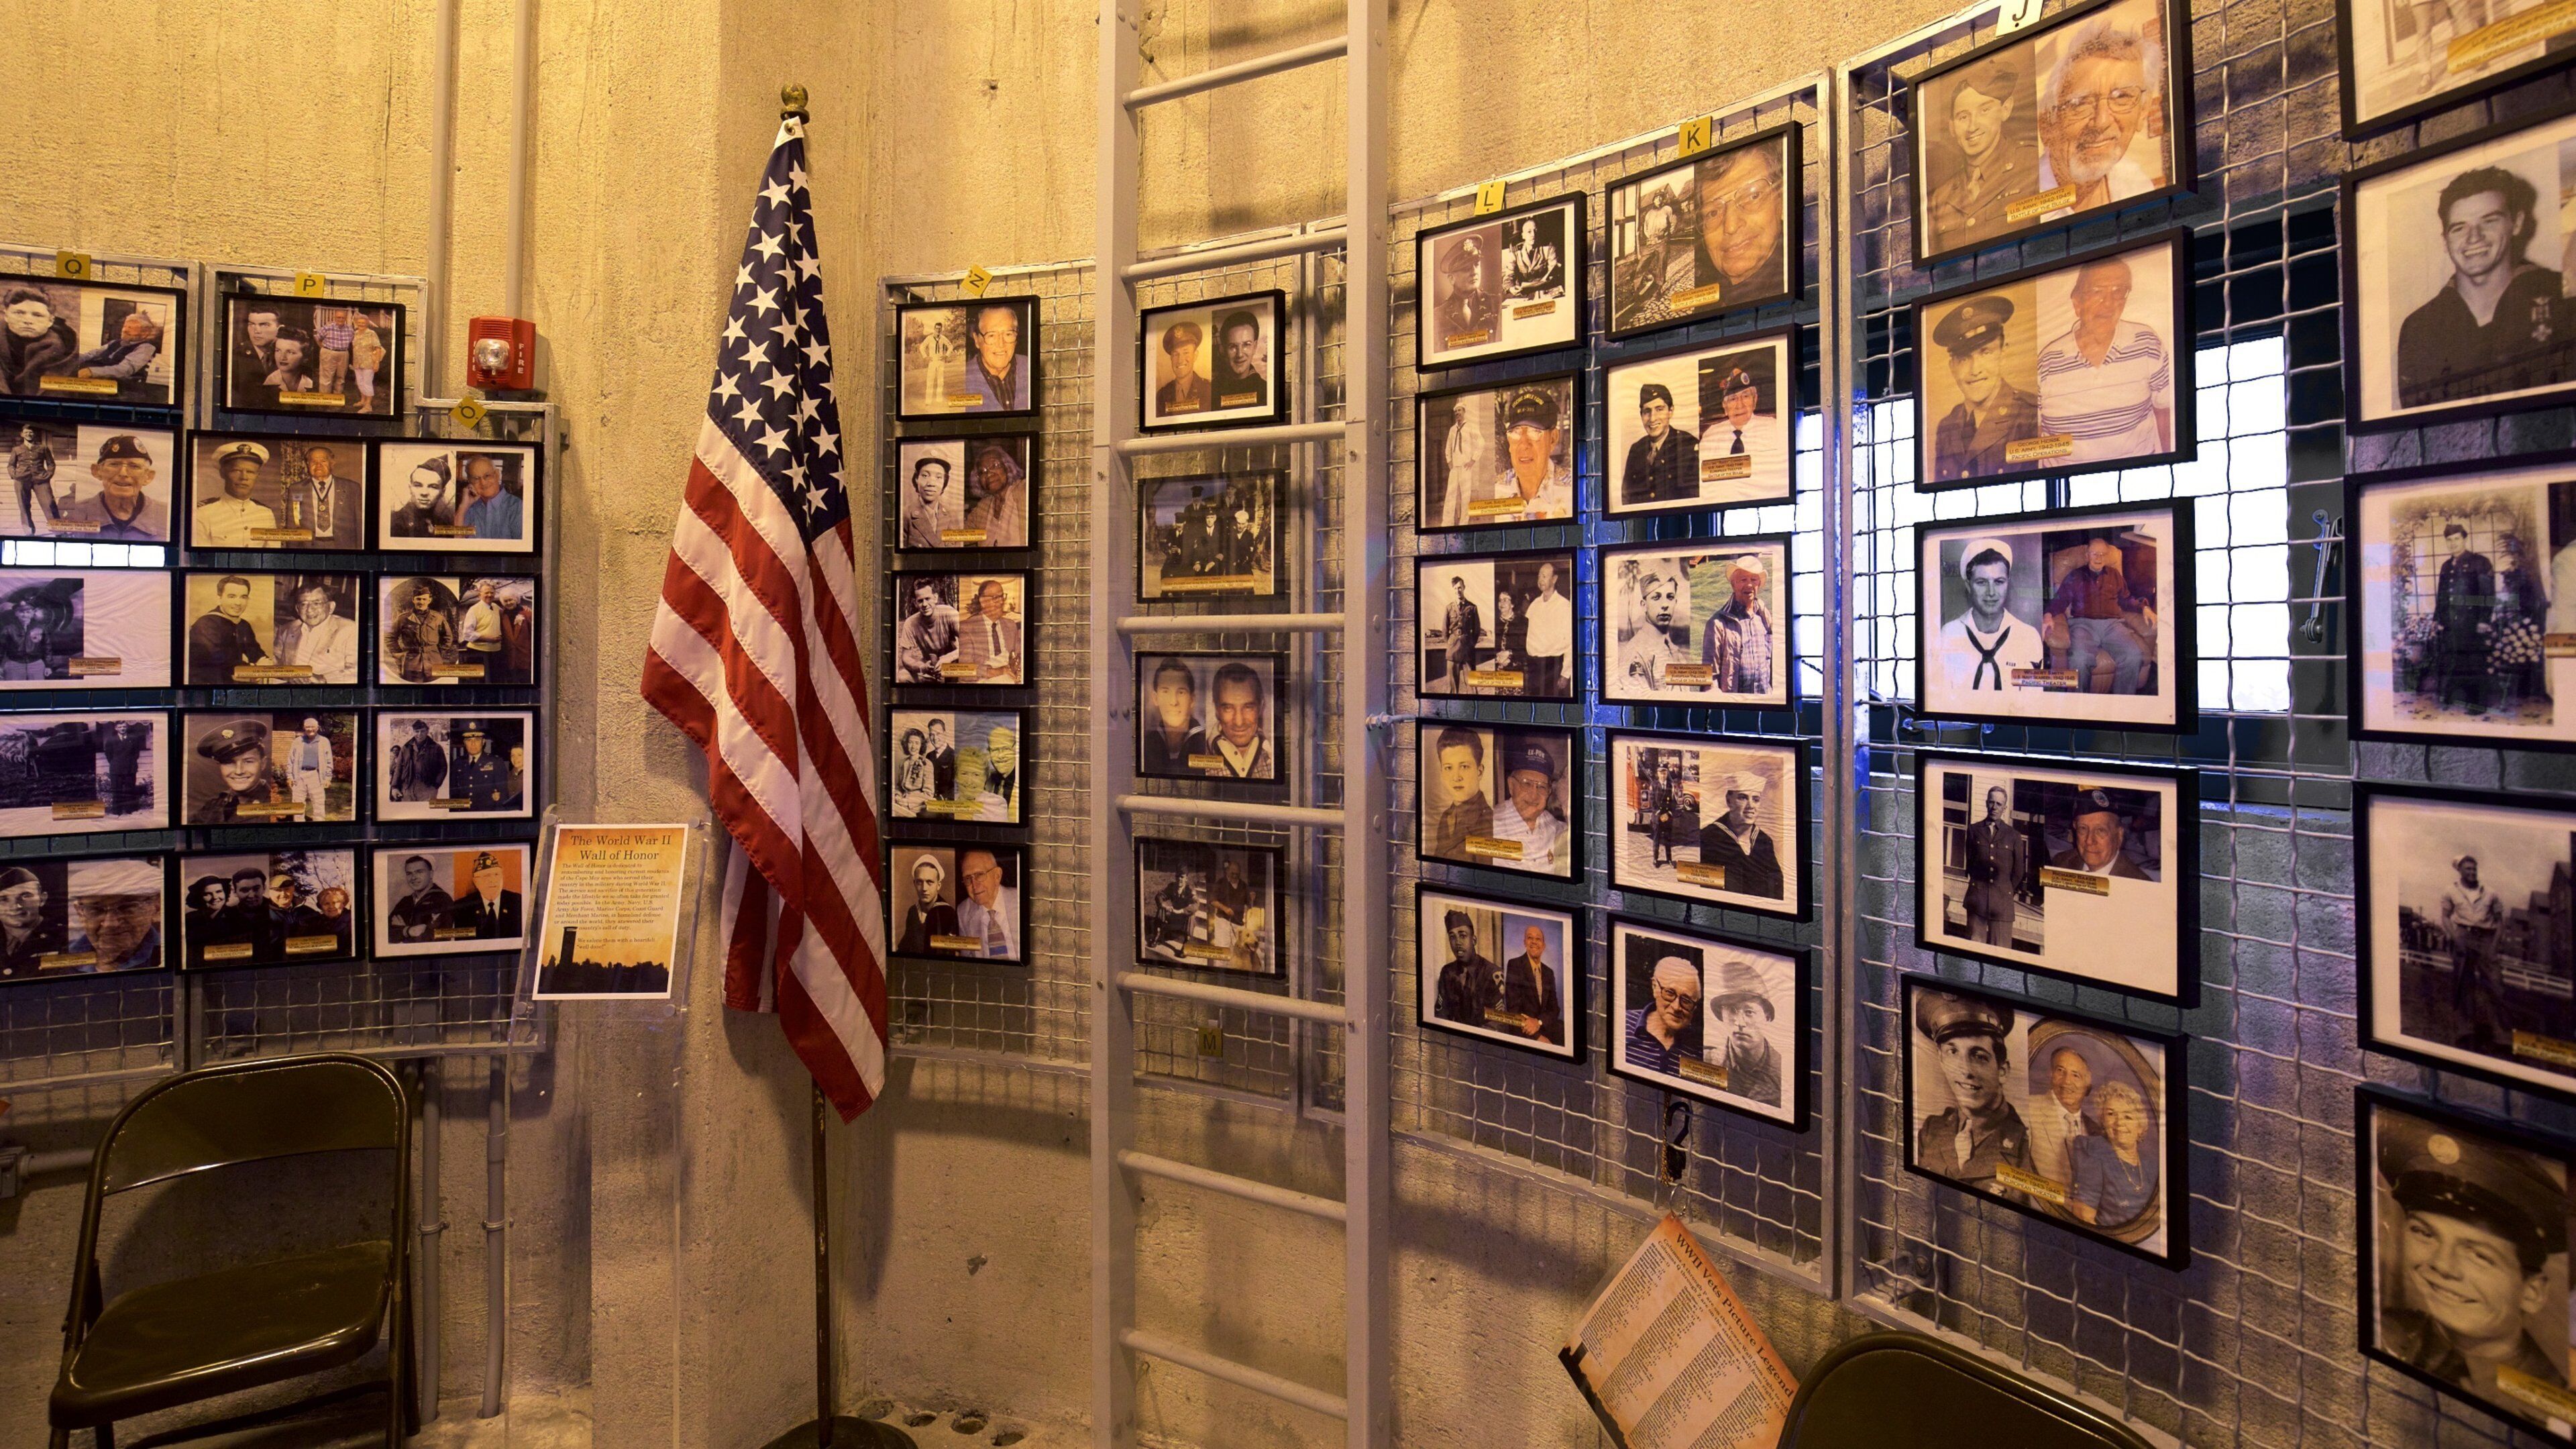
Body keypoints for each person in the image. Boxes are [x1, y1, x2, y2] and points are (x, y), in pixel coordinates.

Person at [2376, 1112, 2569, 1401]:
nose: (2442, 1266)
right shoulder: (2389, 1333)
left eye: (2479, 1255)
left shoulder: (2554, 1396)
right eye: (2425, 1233)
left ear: (2532, 1292)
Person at [2400, 163, 2576, 407]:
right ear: (2445, 239)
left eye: (2489, 221)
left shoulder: (2563, 298)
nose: (2474, 237)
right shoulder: (2418, 327)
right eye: (2459, 228)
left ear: (2517, 223)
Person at [2035, 258, 2174, 464]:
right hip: (2066, 486)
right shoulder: (2047, 361)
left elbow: (2165, 411)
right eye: (2097, 291)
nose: (2109, 303)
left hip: (2137, 476)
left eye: (2119, 291)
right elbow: (2033, 433)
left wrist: (2169, 465)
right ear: (2077, 302)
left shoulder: (2147, 344)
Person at [2036, 19, 2161, 217]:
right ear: (2047, 125)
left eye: (2122, 97)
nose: (2102, 121)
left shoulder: (2135, 184)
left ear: (2143, 112)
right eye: (2080, 103)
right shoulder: (2023, 208)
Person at [1913, 989, 2034, 1192]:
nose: (1965, 1071)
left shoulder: (2028, 1142)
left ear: (2002, 1071)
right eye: (1953, 1052)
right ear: (1941, 1060)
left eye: (1979, 1056)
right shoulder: (1931, 1132)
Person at [1926, 60, 2041, 252]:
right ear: (1952, 128)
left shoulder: (2034, 163)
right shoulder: (1940, 198)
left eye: (1984, 111)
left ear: (2006, 110)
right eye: (1963, 117)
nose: (1972, 127)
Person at [1929, 297, 2042, 481]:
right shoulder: (1946, 428)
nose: (1975, 370)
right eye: (1964, 358)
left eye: (1986, 353)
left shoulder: (2030, 416)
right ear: (1952, 367)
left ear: (2002, 353)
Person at [1936, 539, 2046, 701]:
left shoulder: (2028, 637)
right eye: (1981, 582)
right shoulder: (1949, 634)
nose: (1991, 592)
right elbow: (1941, 699)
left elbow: (2034, 702)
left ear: (2008, 583)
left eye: (1999, 582)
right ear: (1968, 586)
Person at [2044, 533, 2154, 694]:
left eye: (2103, 554)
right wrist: (2048, 615)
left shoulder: (2115, 575)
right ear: (2087, 555)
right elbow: (2060, 601)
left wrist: (2144, 607)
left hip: (2113, 626)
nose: (2099, 557)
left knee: (2133, 655)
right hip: (2083, 625)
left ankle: (2122, 705)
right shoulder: (2075, 576)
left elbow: (2126, 599)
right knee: (2079, 659)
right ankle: (2079, 706)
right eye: (2095, 553)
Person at [1693, 142, 1790, 306]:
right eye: (1713, 213)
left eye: (1753, 197)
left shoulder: (1805, 282)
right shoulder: (1705, 304)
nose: (1730, 226)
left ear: (1781, 200)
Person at [2065, 1079, 2157, 1228]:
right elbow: (2083, 1217)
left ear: (2140, 1127)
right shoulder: (2093, 1153)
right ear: (2103, 1121)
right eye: (2111, 1114)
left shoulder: (2152, 1165)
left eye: (2128, 1117)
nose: (2119, 1122)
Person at [2443, 853, 2508, 1052]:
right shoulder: (2450, 892)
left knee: (2496, 986)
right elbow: (2445, 917)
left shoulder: (2490, 893)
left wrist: (2494, 946)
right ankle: (2465, 1031)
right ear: (2460, 871)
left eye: (2474, 869)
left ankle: (2502, 1035)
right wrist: (2455, 937)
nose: (2472, 872)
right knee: (2464, 984)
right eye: (2468, 869)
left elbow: (2500, 922)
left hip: (2486, 939)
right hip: (2463, 937)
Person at [2432, 522, 2499, 714]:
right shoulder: (2446, 566)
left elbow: (2488, 594)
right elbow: (2442, 595)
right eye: (2449, 540)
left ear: (2464, 539)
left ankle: (2478, 704)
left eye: (2457, 539)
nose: (2453, 543)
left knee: (2475, 663)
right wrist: (2437, 619)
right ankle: (2455, 696)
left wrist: (2484, 620)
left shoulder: (2480, 562)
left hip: (2472, 622)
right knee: (2455, 660)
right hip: (2451, 624)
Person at [1488, 386, 1574, 521]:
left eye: (1535, 432)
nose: (1524, 444)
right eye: (1516, 433)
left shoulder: (1574, 490)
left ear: (1553, 439)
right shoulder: (1495, 490)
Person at [58, 433, 164, 540]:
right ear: (97, 471)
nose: (123, 473)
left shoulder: (166, 515)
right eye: (114, 464)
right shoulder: (76, 513)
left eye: (134, 466)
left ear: (148, 477)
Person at [63, 859, 162, 975]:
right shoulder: (60, 955)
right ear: (80, 913)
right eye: (96, 910)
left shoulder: (171, 954)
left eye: (126, 908)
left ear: (156, 908)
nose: (110, 924)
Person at [1962, 784, 2029, 948]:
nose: (1994, 807)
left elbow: (2019, 872)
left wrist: (2004, 891)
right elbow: (1970, 862)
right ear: (1986, 803)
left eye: (1999, 804)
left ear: (2005, 808)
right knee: (1974, 948)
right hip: (1977, 900)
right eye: (1992, 802)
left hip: (2002, 904)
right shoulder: (1974, 830)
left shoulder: (2014, 836)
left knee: (2001, 950)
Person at [1697, 773, 1784, 898]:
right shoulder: (1709, 837)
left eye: (1756, 799)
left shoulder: (1764, 841)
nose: (1750, 806)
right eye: (1743, 798)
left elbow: (1777, 886)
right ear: (1729, 801)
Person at [1709, 959, 1782, 1106]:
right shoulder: (1707, 1061)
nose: (1740, 1023)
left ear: (1767, 1016)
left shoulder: (1785, 1071)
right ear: (1721, 1014)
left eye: (1749, 1012)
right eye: (1731, 1010)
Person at [2025, 1044, 2102, 1186]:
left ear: (2087, 1084)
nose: (2067, 1081)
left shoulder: (2097, 1131)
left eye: (2076, 1075)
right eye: (2060, 1071)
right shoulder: (2029, 1108)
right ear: (2051, 1074)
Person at [1697, 368, 1783, 493]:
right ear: (1725, 407)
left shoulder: (1773, 429)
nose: (1740, 405)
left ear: (1755, 400)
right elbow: (1704, 484)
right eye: (1733, 399)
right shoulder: (1711, 436)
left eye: (1746, 396)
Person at [1489, 741, 1568, 873]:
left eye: (1542, 786)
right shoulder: (1491, 826)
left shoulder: (1555, 828)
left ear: (1549, 792)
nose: (1534, 794)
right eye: (1526, 784)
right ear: (1511, 785)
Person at [1703, 555, 1776, 696]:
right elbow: (1708, 676)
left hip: (1766, 702)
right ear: (1733, 584)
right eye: (1743, 580)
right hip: (1734, 707)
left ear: (1759, 585)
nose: (1749, 585)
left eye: (1754, 580)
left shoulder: (1765, 617)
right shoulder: (1718, 623)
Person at [1619, 559, 1696, 692]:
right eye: (1656, 597)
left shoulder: (1672, 648)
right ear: (1644, 605)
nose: (1665, 605)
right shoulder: (1636, 652)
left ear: (1675, 602)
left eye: (1670, 597)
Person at [1620, 380, 1697, 508]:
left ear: (1671, 411)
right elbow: (1626, 498)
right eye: (1647, 411)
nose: (1653, 418)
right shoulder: (1636, 449)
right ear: (1641, 415)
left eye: (1659, 409)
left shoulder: (1688, 445)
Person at [1623, 955, 1705, 1076]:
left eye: (1686, 1001)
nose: (1677, 1007)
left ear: (1695, 1008)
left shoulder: (1699, 1050)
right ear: (1654, 987)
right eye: (1670, 993)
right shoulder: (1623, 1024)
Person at [193, 720, 282, 825]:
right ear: (220, 766)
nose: (239, 771)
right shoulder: (211, 807)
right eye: (229, 762)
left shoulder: (278, 804)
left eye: (248, 761)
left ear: (263, 764)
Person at [2051, 788, 2151, 878]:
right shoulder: (2061, 862)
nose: (2089, 841)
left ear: (2119, 836)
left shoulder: (2138, 884)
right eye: (2083, 828)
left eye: (2101, 831)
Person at [196, 441, 280, 548]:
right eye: (236, 471)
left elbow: (272, 557)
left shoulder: (266, 514)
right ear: (223, 473)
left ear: (257, 476)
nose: (244, 477)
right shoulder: (203, 513)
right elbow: (203, 557)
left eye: (250, 472)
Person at [1426, 727, 1494, 860]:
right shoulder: (1446, 817)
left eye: (1464, 767)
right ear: (1441, 772)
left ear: (1479, 771)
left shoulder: (1489, 824)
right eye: (1448, 768)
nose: (1456, 777)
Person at [188, 575, 270, 681]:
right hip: (203, 684)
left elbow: (255, 651)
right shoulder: (205, 624)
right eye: (232, 596)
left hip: (229, 680)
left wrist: (264, 662)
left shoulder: (244, 625)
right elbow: (220, 659)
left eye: (243, 597)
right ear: (219, 598)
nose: (238, 603)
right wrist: (253, 670)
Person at [275, 582, 360, 684]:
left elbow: (357, 672)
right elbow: (274, 663)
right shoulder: (287, 629)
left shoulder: (350, 630)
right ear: (298, 609)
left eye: (316, 603)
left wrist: (324, 679)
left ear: (331, 607)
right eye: (304, 604)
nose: (310, 610)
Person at [67, 309, 163, 398]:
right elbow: (92, 354)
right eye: (125, 326)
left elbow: (124, 370)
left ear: (145, 333)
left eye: (131, 328)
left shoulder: (146, 348)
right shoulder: (115, 342)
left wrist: (91, 371)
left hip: (121, 382)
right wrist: (73, 358)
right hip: (98, 375)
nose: (125, 330)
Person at [0, 286, 77, 395]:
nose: (28, 320)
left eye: (37, 315)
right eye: (19, 313)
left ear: (50, 321)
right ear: (6, 316)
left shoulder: (68, 352)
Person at [1497, 922, 1564, 1045]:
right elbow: (1513, 1008)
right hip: (1523, 1029)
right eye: (1530, 938)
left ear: (1543, 946)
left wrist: (1539, 1022)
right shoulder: (1515, 965)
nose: (1534, 942)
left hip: (1543, 1025)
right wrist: (1537, 1037)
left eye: (1538, 939)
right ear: (1525, 943)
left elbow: (1554, 1009)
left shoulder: (1549, 973)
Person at [1432, 909, 1502, 1026]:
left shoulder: (1493, 973)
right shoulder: (1447, 972)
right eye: (1452, 937)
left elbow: (1498, 1021)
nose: (1458, 942)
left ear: (1474, 940)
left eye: (1463, 936)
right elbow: (1441, 1013)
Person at [1141, 657, 1210, 774]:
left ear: (1192, 699)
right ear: (1155, 698)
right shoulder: (1145, 746)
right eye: (1166, 692)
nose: (1173, 702)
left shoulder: (1207, 746)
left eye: (1181, 692)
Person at [1205, 662, 1273, 780]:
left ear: (1261, 707)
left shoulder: (1272, 755)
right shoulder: (1200, 754)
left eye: (1248, 707)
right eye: (1228, 708)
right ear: (1216, 709)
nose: (1239, 722)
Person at [963, 303, 1030, 411]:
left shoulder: (1031, 368)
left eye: (1008, 334)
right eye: (992, 335)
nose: (1001, 345)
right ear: (977, 340)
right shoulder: (961, 379)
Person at [285, 443, 356, 545]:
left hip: (342, 546)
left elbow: (360, 524)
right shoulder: (296, 489)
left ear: (332, 463)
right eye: (313, 461)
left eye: (323, 461)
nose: (318, 465)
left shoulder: (352, 488)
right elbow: (293, 523)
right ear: (308, 464)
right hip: (309, 546)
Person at [955, 848, 1019, 960]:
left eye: (980, 875)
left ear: (997, 876)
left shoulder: (1020, 900)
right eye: (968, 878)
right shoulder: (963, 912)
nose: (974, 885)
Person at [961, 443, 1028, 547]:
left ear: (1008, 467)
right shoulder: (983, 506)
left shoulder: (1024, 490)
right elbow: (960, 537)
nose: (989, 474)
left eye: (995, 465)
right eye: (982, 472)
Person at [957, 578, 1023, 684]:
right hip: (982, 680)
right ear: (983, 601)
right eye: (996, 598)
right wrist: (997, 672)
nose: (1001, 602)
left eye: (1002, 596)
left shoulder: (1011, 625)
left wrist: (1018, 668)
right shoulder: (967, 628)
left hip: (1011, 677)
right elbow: (963, 670)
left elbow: (1020, 655)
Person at [1435, 402, 1492, 526]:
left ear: (1464, 412)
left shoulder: (1470, 427)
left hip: (1466, 467)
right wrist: (1449, 462)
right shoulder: (1452, 429)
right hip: (1455, 467)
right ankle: (1447, 523)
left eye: (1459, 411)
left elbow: (1481, 442)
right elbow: (1448, 448)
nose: (1457, 413)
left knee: (1466, 497)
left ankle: (1463, 523)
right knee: (1450, 495)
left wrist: (1473, 459)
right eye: (1455, 412)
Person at [388, 581, 458, 683]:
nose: (421, 602)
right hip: (412, 663)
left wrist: (438, 652)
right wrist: (398, 653)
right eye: (418, 599)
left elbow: (448, 637)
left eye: (424, 599)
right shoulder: (403, 618)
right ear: (413, 600)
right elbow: (390, 637)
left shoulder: (438, 618)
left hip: (434, 662)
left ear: (429, 600)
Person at [1432, 236, 1497, 345]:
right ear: (1452, 279)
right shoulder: (1437, 316)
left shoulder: (1496, 303)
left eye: (1477, 265)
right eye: (1466, 268)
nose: (1474, 272)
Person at [1521, 561, 1572, 698]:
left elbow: (1570, 643)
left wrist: (1565, 674)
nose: (1540, 580)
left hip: (1553, 667)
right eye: (1539, 576)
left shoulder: (1564, 606)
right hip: (1533, 667)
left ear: (1554, 579)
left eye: (1544, 576)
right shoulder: (1534, 605)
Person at [895, 578, 960, 684]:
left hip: (953, 667)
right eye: (920, 601)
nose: (924, 604)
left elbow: (971, 645)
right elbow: (906, 658)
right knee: (903, 676)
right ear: (915, 603)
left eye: (928, 599)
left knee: (972, 669)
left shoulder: (950, 614)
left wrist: (949, 658)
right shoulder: (911, 623)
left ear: (935, 598)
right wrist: (922, 667)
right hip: (931, 670)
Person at [897, 855, 961, 955]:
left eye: (930, 882)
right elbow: (906, 945)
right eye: (919, 882)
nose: (924, 888)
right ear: (914, 883)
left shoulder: (948, 913)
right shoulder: (913, 911)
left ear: (938, 885)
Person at [451, 851, 524, 941]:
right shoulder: (461, 909)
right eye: (487, 876)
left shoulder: (518, 902)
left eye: (497, 874)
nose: (493, 880)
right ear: (476, 882)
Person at [0, 867, 58, 978]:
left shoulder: (63, 937)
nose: (15, 906)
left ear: (42, 899)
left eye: (26, 896)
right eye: (3, 899)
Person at [386, 855, 455, 945]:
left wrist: (401, 931)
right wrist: (409, 931)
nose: (413, 878)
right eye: (409, 873)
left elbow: (436, 940)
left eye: (419, 872)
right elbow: (385, 933)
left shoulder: (442, 900)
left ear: (431, 874)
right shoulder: (405, 901)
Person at [1210, 309, 1269, 410]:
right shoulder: (1210, 391)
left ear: (1255, 346)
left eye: (1246, 345)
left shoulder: (1266, 390)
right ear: (1223, 349)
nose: (1240, 354)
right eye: (1232, 346)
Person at [458, 453, 525, 541]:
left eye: (487, 476)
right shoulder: (469, 507)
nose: (483, 483)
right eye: (476, 478)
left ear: (497, 475)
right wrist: (462, 507)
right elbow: (457, 544)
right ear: (470, 482)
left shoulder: (517, 506)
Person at [282, 715, 335, 820]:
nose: (310, 729)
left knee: (319, 802)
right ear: (304, 728)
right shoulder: (298, 741)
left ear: (317, 727)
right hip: (299, 775)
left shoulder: (324, 741)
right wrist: (290, 777)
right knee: (298, 804)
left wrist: (328, 778)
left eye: (312, 727)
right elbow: (290, 760)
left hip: (316, 775)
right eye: (307, 727)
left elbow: (329, 761)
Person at [1155, 320, 1210, 416]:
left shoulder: (1208, 390)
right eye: (1176, 354)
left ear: (1195, 355)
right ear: (1171, 358)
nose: (1180, 360)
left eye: (1186, 352)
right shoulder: (1161, 396)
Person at [390, 457, 455, 538]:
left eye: (433, 487)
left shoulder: (444, 524)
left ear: (443, 492)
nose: (424, 493)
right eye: (418, 485)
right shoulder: (395, 524)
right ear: (410, 488)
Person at [450, 722, 511, 810]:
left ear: (483, 742)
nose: (473, 744)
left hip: (487, 814)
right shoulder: (458, 763)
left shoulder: (496, 762)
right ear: (464, 743)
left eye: (477, 740)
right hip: (463, 814)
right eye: (469, 740)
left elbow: (503, 794)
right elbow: (453, 793)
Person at [1438, 575, 1482, 692]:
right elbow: (1444, 630)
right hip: (1452, 650)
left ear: (1464, 588)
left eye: (1460, 588)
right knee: (1451, 687)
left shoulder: (1472, 608)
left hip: (1468, 649)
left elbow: (1477, 630)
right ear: (1453, 590)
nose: (1458, 591)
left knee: (1472, 685)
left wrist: (1471, 643)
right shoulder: (1449, 608)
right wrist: (1450, 642)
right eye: (1456, 588)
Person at [8, 422, 56, 530]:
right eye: (26, 432)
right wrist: (15, 475)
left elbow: (51, 464)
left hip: (41, 479)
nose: (29, 434)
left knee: (49, 504)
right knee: (24, 505)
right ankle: (29, 530)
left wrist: (48, 475)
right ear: (22, 434)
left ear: (34, 434)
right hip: (22, 480)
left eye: (31, 432)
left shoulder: (43, 448)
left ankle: (58, 530)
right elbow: (11, 465)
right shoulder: (16, 449)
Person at [901, 454, 955, 548]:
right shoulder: (905, 515)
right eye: (925, 476)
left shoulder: (952, 515)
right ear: (917, 479)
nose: (931, 484)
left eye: (938, 478)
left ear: (944, 483)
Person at [457, 578, 507, 677]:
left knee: (495, 680)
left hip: (496, 651)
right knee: (480, 682)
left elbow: (508, 613)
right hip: (478, 653)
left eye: (492, 593)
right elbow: (467, 634)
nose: (490, 595)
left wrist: (522, 609)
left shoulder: (496, 607)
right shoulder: (474, 610)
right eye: (486, 593)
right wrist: (488, 638)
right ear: (480, 595)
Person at [1504, 217, 1563, 301]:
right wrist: (1511, 289)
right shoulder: (1515, 253)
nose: (1533, 235)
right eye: (1529, 232)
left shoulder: (1548, 248)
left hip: (1545, 292)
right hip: (1524, 295)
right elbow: (1508, 277)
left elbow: (1554, 272)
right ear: (1523, 236)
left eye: (1536, 231)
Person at [1147, 861, 1199, 957]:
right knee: (1162, 908)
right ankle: (1157, 935)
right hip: (1174, 917)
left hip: (1184, 919)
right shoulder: (1172, 887)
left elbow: (1196, 904)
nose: (1179, 879)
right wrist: (1163, 905)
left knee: (1192, 915)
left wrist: (1181, 911)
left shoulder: (1190, 889)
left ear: (1186, 878)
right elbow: (1159, 896)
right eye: (1178, 876)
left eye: (1182, 877)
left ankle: (1186, 945)